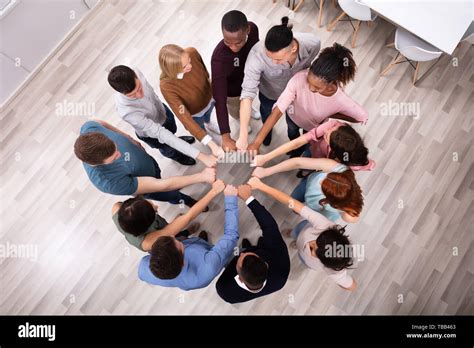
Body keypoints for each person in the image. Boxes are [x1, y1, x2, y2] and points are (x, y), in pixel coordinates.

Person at [248, 43, 368, 157]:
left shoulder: (341, 100)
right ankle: (294, 151)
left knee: (306, 144)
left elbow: (361, 117)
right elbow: (279, 109)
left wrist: (334, 114)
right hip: (292, 118)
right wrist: (257, 142)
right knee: (292, 134)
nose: (310, 88)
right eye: (309, 81)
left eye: (317, 87)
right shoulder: (299, 78)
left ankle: (300, 151)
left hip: (311, 128)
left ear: (331, 83)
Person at [248, 177, 357, 291]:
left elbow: (352, 286)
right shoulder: (325, 225)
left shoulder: (335, 271)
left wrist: (340, 281)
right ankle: (293, 234)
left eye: (314, 250)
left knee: (301, 253)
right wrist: (261, 186)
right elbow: (292, 203)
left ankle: (296, 243)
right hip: (302, 230)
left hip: (306, 260)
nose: (310, 244)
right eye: (317, 240)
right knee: (296, 232)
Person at [74, 120, 215, 206]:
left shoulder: (89, 128)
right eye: (114, 157)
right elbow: (162, 185)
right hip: (150, 186)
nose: (120, 154)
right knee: (170, 194)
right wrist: (201, 176)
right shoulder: (109, 182)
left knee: (161, 176)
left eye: (115, 147)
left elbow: (101, 123)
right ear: (98, 163)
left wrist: (128, 137)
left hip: (148, 164)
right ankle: (185, 201)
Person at [236, 16, 321, 151]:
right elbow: (247, 95)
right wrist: (243, 134)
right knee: (267, 113)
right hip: (270, 94)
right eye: (270, 57)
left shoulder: (313, 43)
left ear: (293, 49)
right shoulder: (256, 57)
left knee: (293, 120)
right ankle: (266, 135)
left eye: (278, 59)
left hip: (297, 94)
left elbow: (312, 62)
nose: (273, 62)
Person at [138, 181, 240, 291]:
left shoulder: (144, 268)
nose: (173, 236)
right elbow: (231, 236)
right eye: (175, 241)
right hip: (212, 259)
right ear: (182, 256)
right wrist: (230, 200)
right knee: (226, 257)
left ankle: (200, 242)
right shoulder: (209, 265)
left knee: (198, 243)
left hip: (195, 248)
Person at [108, 65, 217, 167]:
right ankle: (178, 156)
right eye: (132, 95)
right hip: (152, 134)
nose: (140, 95)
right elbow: (161, 133)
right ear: (122, 93)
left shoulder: (135, 70)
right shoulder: (126, 112)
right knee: (167, 147)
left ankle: (176, 139)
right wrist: (201, 156)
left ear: (135, 75)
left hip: (162, 112)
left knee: (172, 132)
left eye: (139, 88)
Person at [215, 184, 290, 303]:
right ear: (264, 263)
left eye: (239, 257)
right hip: (266, 248)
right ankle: (249, 247)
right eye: (246, 254)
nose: (240, 254)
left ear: (239, 278)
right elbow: (269, 226)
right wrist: (249, 198)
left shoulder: (225, 290)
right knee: (254, 247)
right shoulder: (280, 270)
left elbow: (226, 271)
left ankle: (249, 248)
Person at [159, 44, 224, 159]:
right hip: (194, 114)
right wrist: (211, 144)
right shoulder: (166, 86)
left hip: (208, 99)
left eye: (189, 60)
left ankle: (209, 124)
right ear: (173, 70)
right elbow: (184, 116)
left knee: (208, 115)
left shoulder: (192, 52)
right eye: (184, 66)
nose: (190, 66)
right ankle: (205, 134)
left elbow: (204, 72)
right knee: (199, 125)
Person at [252, 157, 363, 223]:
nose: (320, 181)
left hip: (314, 209)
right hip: (306, 185)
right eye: (326, 177)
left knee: (295, 206)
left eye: (323, 186)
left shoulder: (343, 213)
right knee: (295, 198)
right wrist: (266, 171)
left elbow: (292, 203)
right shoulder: (339, 169)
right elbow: (298, 162)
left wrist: (261, 186)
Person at [211, 10, 260, 152]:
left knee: (248, 103)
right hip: (232, 92)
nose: (233, 47)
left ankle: (249, 110)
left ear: (248, 30)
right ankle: (239, 118)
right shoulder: (218, 59)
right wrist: (225, 136)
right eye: (228, 42)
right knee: (235, 109)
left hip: (251, 80)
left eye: (238, 42)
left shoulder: (254, 29)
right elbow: (219, 100)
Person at [252, 119, 375, 174]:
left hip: (322, 170)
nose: (326, 131)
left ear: (334, 150)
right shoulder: (334, 125)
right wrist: (266, 157)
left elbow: (369, 165)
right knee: (305, 164)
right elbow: (297, 143)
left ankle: (307, 173)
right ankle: (306, 172)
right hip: (313, 153)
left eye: (327, 137)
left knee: (307, 170)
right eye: (331, 130)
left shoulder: (352, 166)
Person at [111, 197, 202, 252]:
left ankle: (176, 228)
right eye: (154, 210)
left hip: (160, 228)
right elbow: (188, 217)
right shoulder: (147, 242)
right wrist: (214, 191)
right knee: (176, 240)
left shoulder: (117, 208)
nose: (156, 206)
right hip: (161, 240)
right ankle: (186, 233)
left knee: (171, 229)